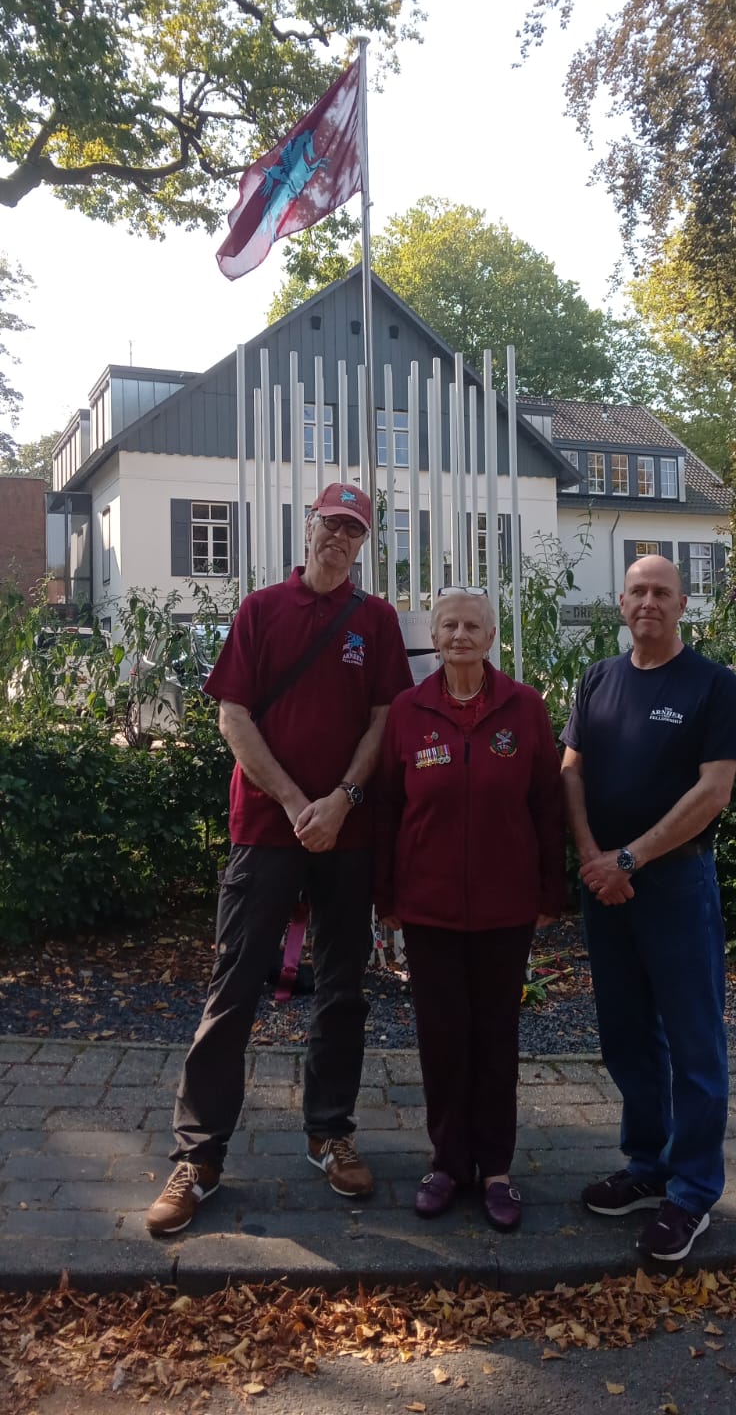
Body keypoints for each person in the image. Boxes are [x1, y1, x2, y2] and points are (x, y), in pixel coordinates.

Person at [146, 483, 413, 1236]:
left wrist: (343, 800)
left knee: (341, 989)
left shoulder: (377, 621)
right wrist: (299, 804)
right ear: (308, 526)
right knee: (233, 989)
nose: (338, 539)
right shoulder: (261, 610)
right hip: (266, 829)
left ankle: (330, 1133)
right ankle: (198, 1158)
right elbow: (233, 717)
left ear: (364, 545)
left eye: (353, 532)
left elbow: (384, 720)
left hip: (348, 833)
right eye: (331, 524)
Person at [561, 555, 736, 1263]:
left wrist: (629, 858)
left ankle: (694, 1190)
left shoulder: (711, 685)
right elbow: (570, 770)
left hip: (672, 886)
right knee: (627, 1035)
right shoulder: (599, 679)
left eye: (662, 592)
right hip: (604, 887)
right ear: (621, 602)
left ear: (682, 604)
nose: (649, 602)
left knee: (695, 1042)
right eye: (638, 590)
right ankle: (648, 1165)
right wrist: (592, 857)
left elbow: (714, 793)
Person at [376, 587, 565, 1232]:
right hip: (427, 909)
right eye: (450, 626)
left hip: (505, 908)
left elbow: (547, 804)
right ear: (435, 635)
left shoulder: (525, 708)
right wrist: (387, 895)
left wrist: (549, 891)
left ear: (491, 638)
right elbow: (386, 808)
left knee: (495, 1038)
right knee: (441, 1038)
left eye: (473, 626)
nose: (460, 636)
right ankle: (447, 1163)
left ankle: (498, 1170)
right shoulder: (408, 711)